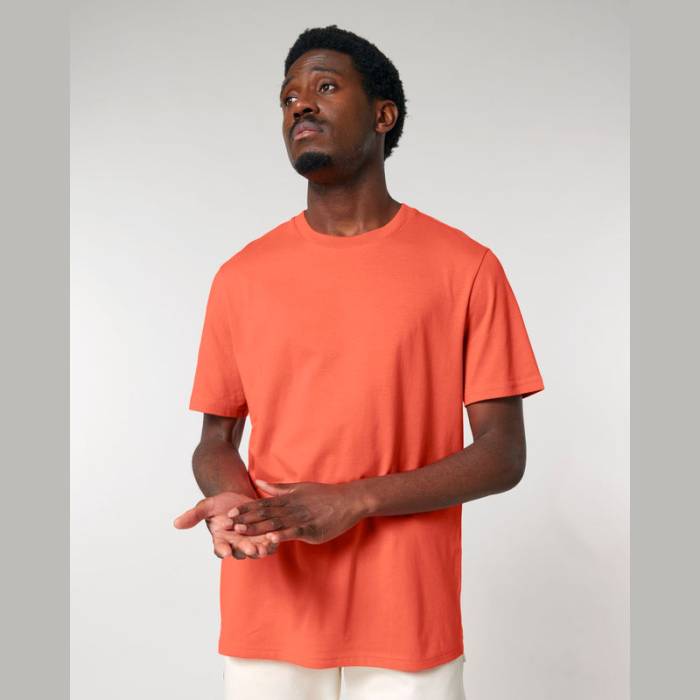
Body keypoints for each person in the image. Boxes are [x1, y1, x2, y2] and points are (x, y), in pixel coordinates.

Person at [173, 24, 544, 700]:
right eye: (288, 97)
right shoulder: (241, 277)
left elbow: (503, 454)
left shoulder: (466, 268)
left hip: (408, 614)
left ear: (383, 115)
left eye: (325, 86)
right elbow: (215, 440)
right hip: (273, 600)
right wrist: (232, 498)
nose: (300, 104)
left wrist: (355, 499)